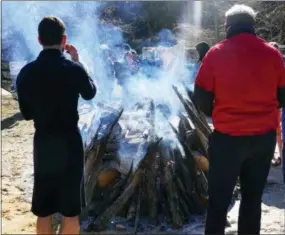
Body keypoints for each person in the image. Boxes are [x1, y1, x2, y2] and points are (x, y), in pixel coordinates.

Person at [193, 4, 285, 235]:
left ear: (228, 26)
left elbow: (201, 96)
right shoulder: (273, 54)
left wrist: (217, 113)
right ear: (252, 25)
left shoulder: (216, 53)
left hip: (228, 139)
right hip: (263, 139)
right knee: (252, 201)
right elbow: (282, 96)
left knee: (218, 202)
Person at [16, 16, 96, 234]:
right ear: (64, 39)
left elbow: (26, 114)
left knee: (44, 211)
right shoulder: (73, 69)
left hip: (44, 144)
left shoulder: (26, 73)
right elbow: (90, 93)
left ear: (39, 39)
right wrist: (78, 61)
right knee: (70, 213)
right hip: (70, 144)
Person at [269, 42, 283, 167]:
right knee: (273, 130)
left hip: (276, 105)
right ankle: (272, 155)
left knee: (278, 131)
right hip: (270, 104)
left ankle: (280, 155)